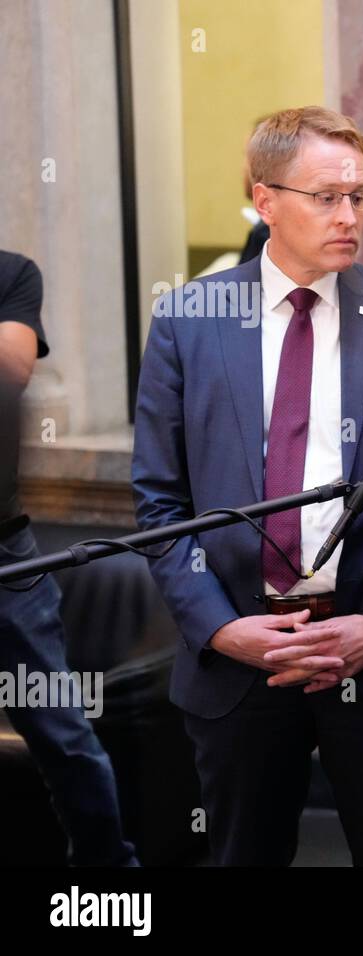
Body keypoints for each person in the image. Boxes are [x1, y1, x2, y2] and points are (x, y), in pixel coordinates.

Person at [132, 107, 363, 866]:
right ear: (265, 198)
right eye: (326, 197)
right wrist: (219, 628)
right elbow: (159, 502)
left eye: (361, 197)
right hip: (240, 664)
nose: (349, 216)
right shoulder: (188, 321)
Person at [0, 250, 137, 866]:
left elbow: (12, 368)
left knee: (63, 736)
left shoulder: (12, 273)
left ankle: (108, 884)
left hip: (7, 555)